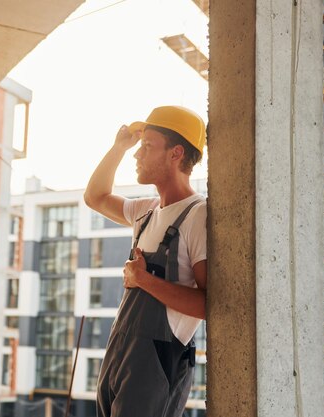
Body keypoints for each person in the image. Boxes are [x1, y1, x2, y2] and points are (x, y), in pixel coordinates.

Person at [83, 106, 207, 417]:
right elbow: (95, 197)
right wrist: (119, 146)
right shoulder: (146, 211)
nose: (138, 156)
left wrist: (144, 280)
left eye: (147, 146)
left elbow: (210, 305)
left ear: (175, 154)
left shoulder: (198, 214)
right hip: (119, 352)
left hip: (156, 361)